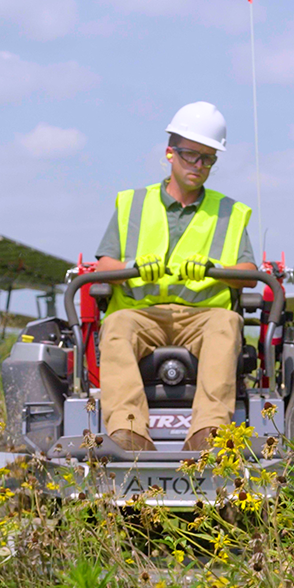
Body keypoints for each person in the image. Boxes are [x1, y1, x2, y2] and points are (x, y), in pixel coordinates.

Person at [92, 102, 257, 452]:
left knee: (227, 323)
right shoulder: (132, 204)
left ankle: (209, 434)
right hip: (141, 315)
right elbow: (103, 267)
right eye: (189, 155)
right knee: (116, 326)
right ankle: (129, 434)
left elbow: (248, 274)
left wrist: (215, 268)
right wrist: (133, 266)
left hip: (202, 318)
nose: (198, 166)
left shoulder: (229, 213)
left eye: (207, 159)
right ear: (170, 153)